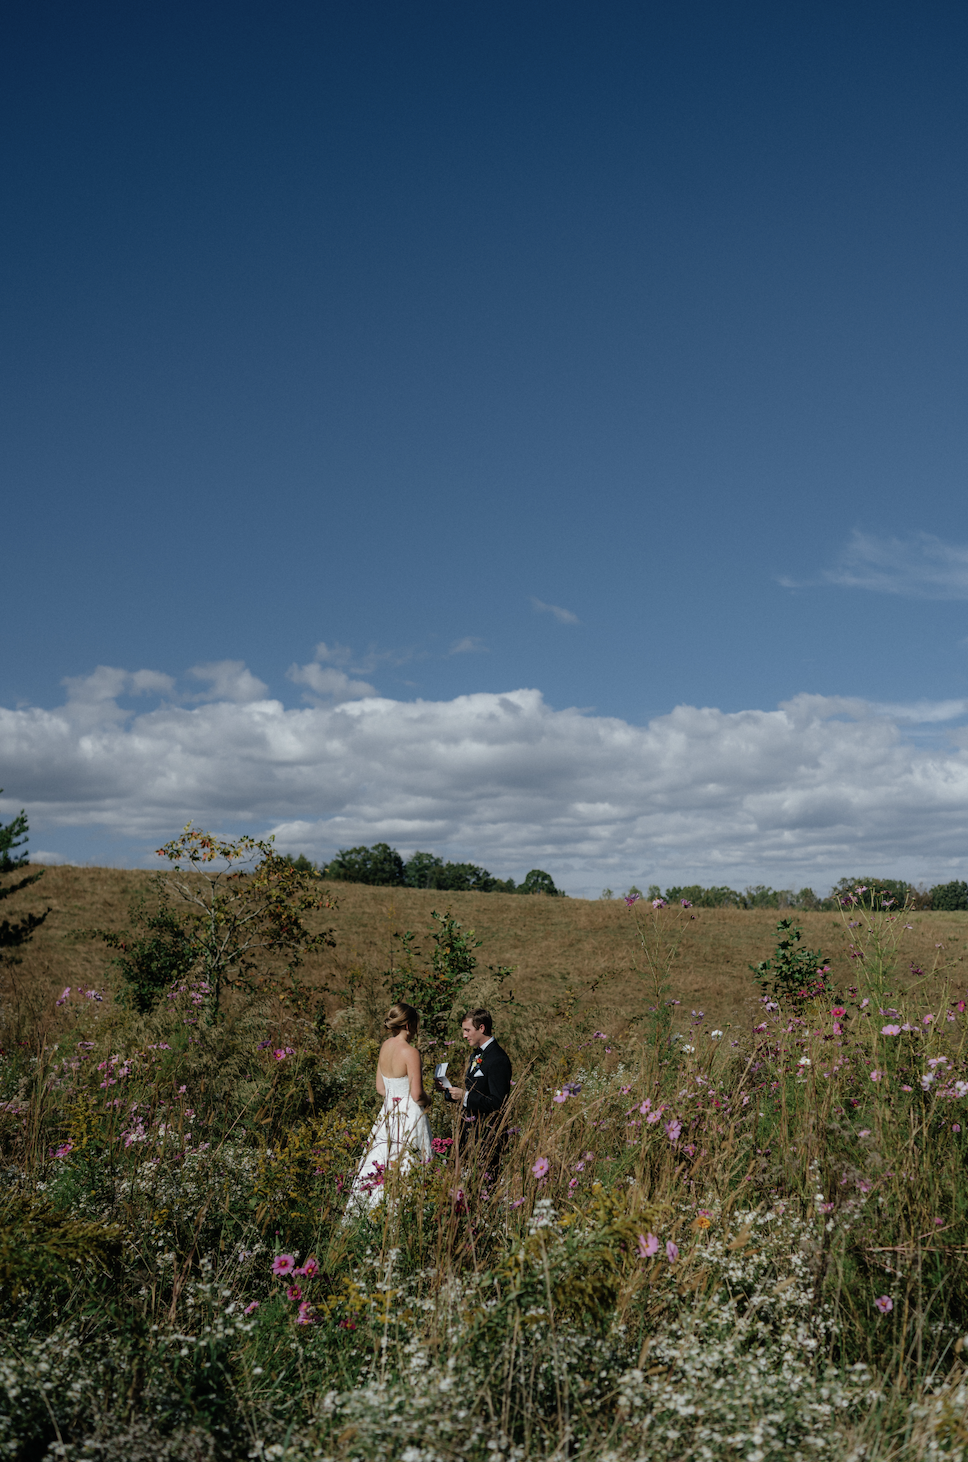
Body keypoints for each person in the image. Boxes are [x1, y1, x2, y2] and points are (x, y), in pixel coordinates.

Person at [346, 1002, 432, 1213]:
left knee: (380, 1163)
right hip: (409, 1116)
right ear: (410, 1025)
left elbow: (380, 1088)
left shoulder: (385, 1046)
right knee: (408, 1166)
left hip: (388, 1114)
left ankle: (370, 1213)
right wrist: (429, 1101)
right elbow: (417, 1094)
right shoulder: (411, 1052)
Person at [439, 1008, 512, 1160]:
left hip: (487, 1135)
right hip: (470, 1132)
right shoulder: (476, 1054)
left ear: (482, 1028)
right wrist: (449, 1091)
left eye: (467, 1030)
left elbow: (497, 1102)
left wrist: (465, 1096)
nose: (464, 1035)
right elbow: (476, 1090)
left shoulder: (498, 1058)